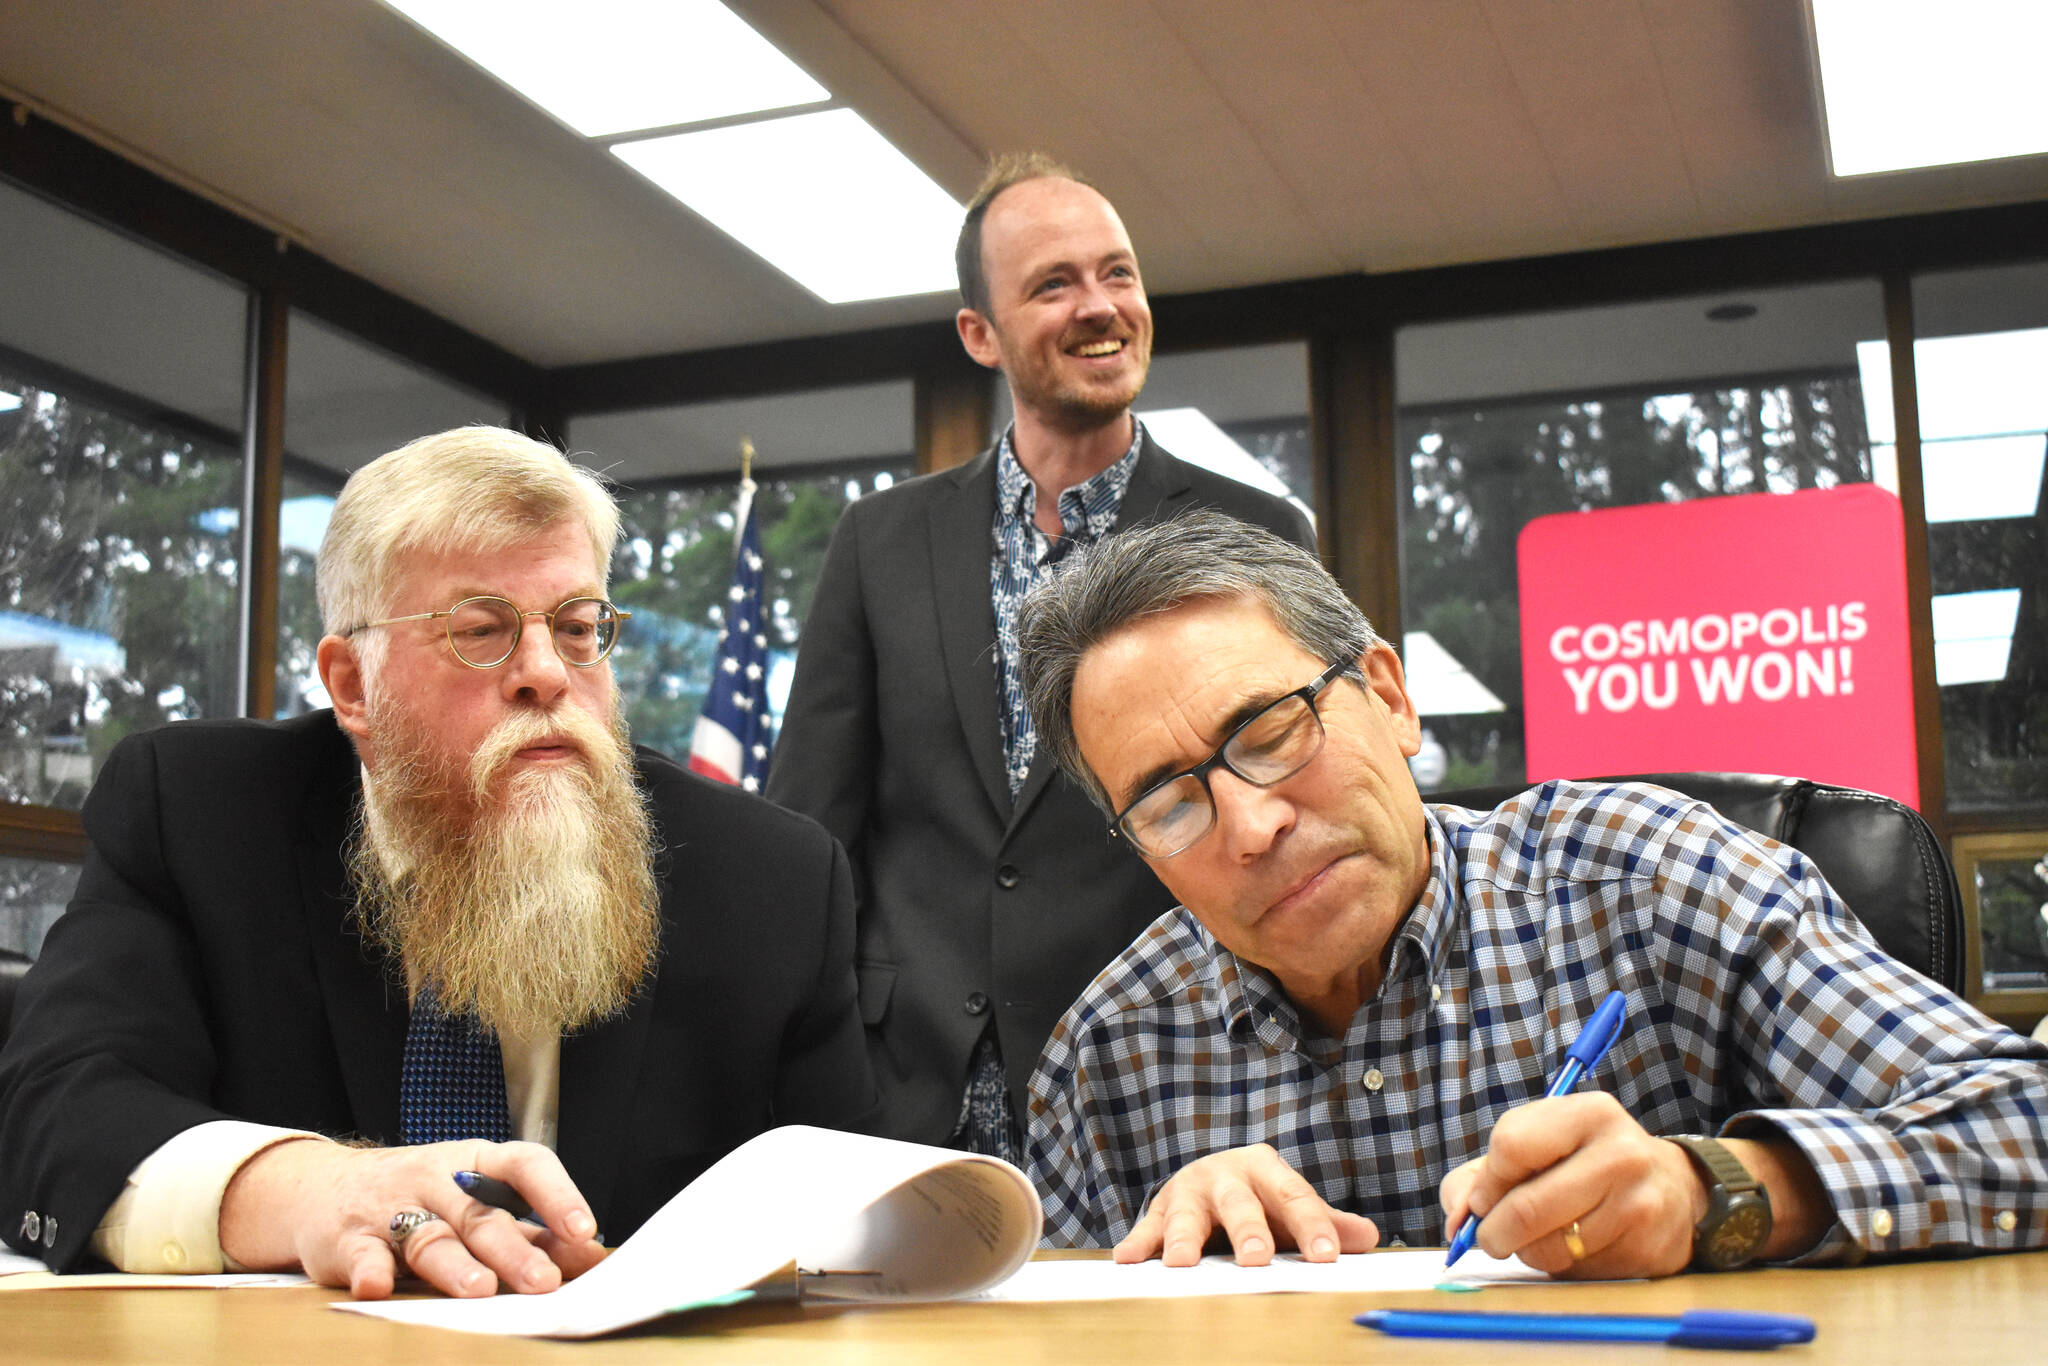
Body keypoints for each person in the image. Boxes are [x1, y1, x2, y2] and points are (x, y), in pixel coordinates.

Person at [1015, 510, 2048, 1277]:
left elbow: (2025, 1120)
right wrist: (1158, 1273)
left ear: (1389, 697)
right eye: (1168, 804)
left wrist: (1717, 1192)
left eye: (1272, 731)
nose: (1250, 827)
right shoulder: (1106, 1055)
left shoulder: (1652, 881)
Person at [0, 427, 874, 1298]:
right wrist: (312, 1189)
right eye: (481, 631)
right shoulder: (199, 815)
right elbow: (53, 1110)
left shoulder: (774, 879)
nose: (547, 674)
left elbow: (859, 1233)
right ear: (352, 685)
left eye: (578, 628)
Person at [768, 155, 1315, 1161]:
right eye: (1053, 283)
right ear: (979, 333)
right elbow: (810, 838)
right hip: (908, 1097)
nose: (1099, 306)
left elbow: (1295, 805)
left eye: (1118, 273)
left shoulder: (1255, 532)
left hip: (1170, 1089)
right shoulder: (879, 541)